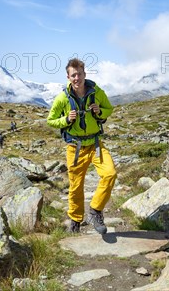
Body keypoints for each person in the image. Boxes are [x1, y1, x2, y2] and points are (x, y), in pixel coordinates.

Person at [47, 58, 116, 234]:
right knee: (76, 186)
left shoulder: (96, 92)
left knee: (110, 174)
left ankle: (95, 210)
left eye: (79, 74)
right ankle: (76, 221)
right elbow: (51, 120)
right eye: (73, 75)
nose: (77, 78)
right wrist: (65, 119)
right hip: (74, 147)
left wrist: (99, 111)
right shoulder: (63, 97)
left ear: (85, 74)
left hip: (95, 144)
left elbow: (109, 109)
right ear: (68, 77)